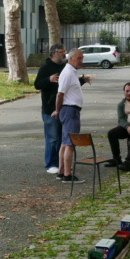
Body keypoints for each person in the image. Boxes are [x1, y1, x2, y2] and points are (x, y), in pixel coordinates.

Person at [35, 44, 91, 175]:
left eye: (65, 52)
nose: (64, 54)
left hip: (62, 107)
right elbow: (37, 85)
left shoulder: (65, 68)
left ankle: (62, 166)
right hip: (51, 108)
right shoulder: (46, 67)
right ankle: (51, 164)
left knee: (63, 139)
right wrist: (49, 80)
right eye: (61, 52)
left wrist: (81, 80)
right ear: (53, 53)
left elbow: (69, 86)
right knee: (53, 138)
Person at [52, 48, 88, 183]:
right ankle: (67, 175)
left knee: (65, 143)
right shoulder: (67, 73)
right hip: (70, 110)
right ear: (71, 58)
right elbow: (60, 94)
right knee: (70, 144)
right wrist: (58, 110)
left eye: (82, 58)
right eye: (79, 58)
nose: (81, 61)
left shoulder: (71, 72)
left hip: (70, 110)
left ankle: (61, 172)